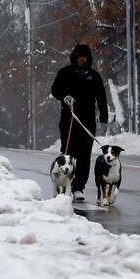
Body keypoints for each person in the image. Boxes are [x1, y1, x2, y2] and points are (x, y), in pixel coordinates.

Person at [50, 44, 109, 201]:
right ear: (74, 57)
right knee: (68, 154)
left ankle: (78, 188)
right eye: (79, 56)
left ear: (89, 58)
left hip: (87, 121)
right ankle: (64, 183)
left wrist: (104, 119)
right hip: (69, 119)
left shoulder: (94, 76)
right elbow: (54, 89)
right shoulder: (65, 72)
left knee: (84, 156)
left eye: (85, 57)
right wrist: (65, 96)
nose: (82, 59)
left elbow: (102, 99)